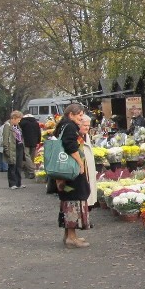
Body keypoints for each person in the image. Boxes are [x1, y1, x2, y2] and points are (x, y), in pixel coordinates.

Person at [47, 103, 91, 248]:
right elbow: (70, 145)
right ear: (71, 115)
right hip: (70, 171)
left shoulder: (62, 125)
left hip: (63, 172)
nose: (81, 117)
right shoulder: (70, 126)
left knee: (67, 201)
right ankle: (72, 237)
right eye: (79, 114)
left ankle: (68, 235)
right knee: (73, 200)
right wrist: (79, 163)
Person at [1, 111, 26, 190]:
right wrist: (6, 149)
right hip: (12, 148)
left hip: (19, 147)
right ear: (14, 118)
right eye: (18, 119)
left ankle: (19, 183)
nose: (19, 121)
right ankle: (12, 183)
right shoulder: (7, 126)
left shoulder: (17, 126)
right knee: (12, 166)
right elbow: (5, 139)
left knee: (19, 166)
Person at [78, 114, 97, 214]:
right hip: (82, 169)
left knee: (89, 192)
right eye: (84, 125)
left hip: (88, 168)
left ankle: (86, 214)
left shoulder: (86, 136)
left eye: (88, 125)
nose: (87, 127)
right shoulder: (77, 137)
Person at [19, 113, 42, 180]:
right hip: (34, 142)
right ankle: (31, 171)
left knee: (26, 156)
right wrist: (38, 141)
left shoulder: (22, 122)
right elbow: (39, 132)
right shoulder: (35, 122)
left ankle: (32, 169)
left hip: (25, 141)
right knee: (32, 156)